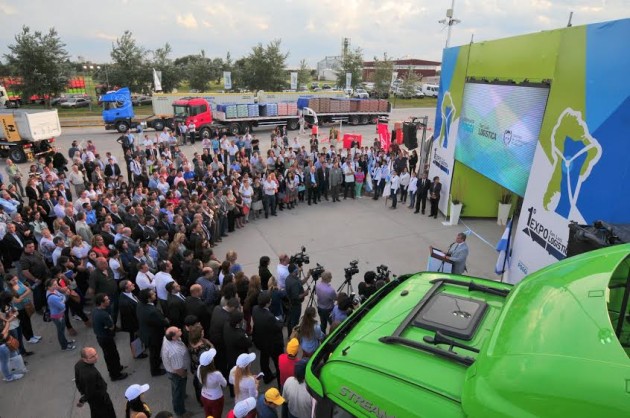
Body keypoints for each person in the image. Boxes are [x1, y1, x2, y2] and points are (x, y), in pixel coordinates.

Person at [92, 293, 129, 381]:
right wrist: (109, 325)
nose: (109, 300)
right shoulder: (104, 315)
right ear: (101, 303)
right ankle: (115, 375)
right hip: (106, 338)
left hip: (101, 337)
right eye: (106, 300)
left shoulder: (96, 311)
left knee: (112, 355)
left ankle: (117, 367)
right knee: (111, 356)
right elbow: (111, 326)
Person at [252, 291, 284, 385]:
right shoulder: (269, 317)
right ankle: (280, 382)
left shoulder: (255, 309)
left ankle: (267, 376)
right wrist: (280, 321)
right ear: (268, 303)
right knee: (278, 363)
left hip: (261, 340)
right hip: (272, 343)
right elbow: (278, 327)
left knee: (264, 359)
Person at [74, 347, 117, 418]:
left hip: (93, 400)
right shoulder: (90, 374)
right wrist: (83, 399)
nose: (96, 357)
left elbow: (77, 381)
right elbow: (90, 391)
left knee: (96, 413)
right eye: (92, 357)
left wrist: (82, 393)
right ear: (85, 359)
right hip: (100, 399)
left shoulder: (78, 365)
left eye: (95, 354)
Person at [161, 326, 191, 417]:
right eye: (178, 330)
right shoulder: (175, 352)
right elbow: (178, 369)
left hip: (171, 371)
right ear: (173, 337)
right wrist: (184, 374)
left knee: (175, 387)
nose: (180, 329)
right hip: (177, 373)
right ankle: (180, 411)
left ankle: (182, 395)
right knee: (178, 390)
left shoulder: (167, 338)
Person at [137, 288, 169, 376]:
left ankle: (157, 363)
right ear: (148, 298)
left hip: (146, 332)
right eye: (152, 294)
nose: (155, 294)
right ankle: (155, 370)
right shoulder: (152, 311)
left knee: (154, 352)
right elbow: (162, 322)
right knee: (154, 353)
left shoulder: (141, 304)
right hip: (153, 336)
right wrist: (166, 321)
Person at [46, 278, 76, 351]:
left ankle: (65, 342)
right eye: (54, 285)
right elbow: (62, 305)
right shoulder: (52, 297)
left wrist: (62, 299)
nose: (56, 286)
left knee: (62, 330)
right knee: (61, 332)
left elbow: (61, 296)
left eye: (56, 284)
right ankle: (64, 346)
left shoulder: (54, 291)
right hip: (58, 316)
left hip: (60, 314)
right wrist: (64, 297)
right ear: (49, 287)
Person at [198, 348, 227, 418]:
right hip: (215, 398)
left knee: (208, 414)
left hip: (204, 395)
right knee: (217, 415)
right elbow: (225, 384)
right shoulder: (216, 374)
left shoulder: (199, 368)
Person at [285, 264, 307, 334]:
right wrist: (305, 294)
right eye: (297, 269)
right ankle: (293, 335)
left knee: (290, 319)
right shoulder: (294, 282)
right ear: (294, 271)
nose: (299, 269)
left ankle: (289, 333)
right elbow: (296, 297)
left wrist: (308, 276)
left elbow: (300, 283)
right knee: (295, 322)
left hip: (290, 303)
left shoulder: (289, 278)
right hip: (295, 305)